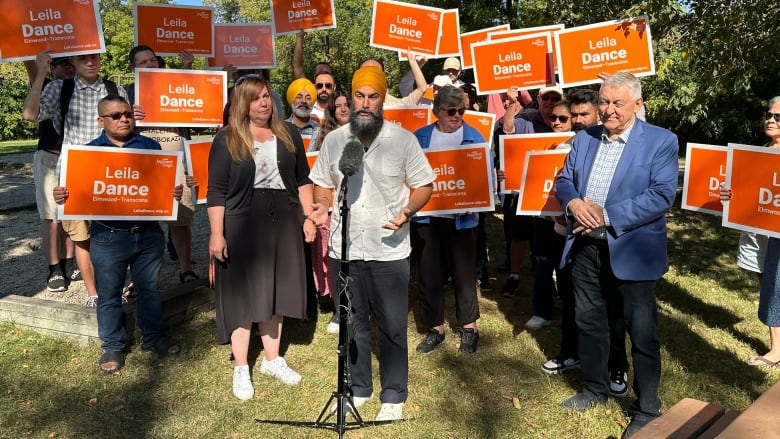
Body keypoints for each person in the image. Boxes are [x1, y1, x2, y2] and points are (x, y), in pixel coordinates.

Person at [555, 72, 678, 439]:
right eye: (604, 101)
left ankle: (646, 408)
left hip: (633, 250)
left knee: (642, 332)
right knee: (590, 322)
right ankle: (596, 388)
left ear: (637, 104)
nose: (607, 110)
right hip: (585, 246)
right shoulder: (584, 138)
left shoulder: (661, 141)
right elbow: (564, 180)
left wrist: (605, 215)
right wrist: (575, 202)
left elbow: (660, 195)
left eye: (617, 103)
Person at [309, 66, 436, 421]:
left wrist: (408, 210)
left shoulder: (403, 140)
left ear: (383, 100)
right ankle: (359, 387)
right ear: (351, 98)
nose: (365, 104)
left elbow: (424, 183)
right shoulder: (335, 141)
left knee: (393, 325)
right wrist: (320, 207)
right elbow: (322, 181)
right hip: (343, 249)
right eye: (360, 96)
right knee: (353, 323)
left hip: (388, 249)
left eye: (373, 96)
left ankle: (394, 394)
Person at [53, 95, 183, 372]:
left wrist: (172, 192)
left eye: (127, 114)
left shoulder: (150, 146)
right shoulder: (88, 153)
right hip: (107, 236)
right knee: (109, 294)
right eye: (116, 115)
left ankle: (153, 338)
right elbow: (75, 194)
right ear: (101, 121)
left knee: (149, 290)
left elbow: (163, 186)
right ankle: (113, 345)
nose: (124, 119)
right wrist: (62, 194)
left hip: (148, 233)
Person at [207, 75, 316, 400]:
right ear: (243, 103)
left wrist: (308, 216)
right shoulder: (226, 138)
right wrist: (216, 233)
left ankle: (272, 359)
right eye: (256, 98)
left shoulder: (288, 133)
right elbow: (216, 191)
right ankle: (241, 366)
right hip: (241, 222)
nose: (264, 103)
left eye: (267, 96)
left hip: (282, 218)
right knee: (243, 295)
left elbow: (302, 178)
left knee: (276, 290)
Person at [22, 51, 129, 307]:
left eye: (94, 57)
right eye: (83, 59)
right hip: (74, 173)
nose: (90, 63)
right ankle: (93, 294)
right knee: (82, 237)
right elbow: (29, 114)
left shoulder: (116, 89)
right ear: (74, 64)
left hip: (111, 173)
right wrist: (39, 75)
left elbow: (128, 128)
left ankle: (117, 287)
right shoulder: (60, 88)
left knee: (116, 235)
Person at [412, 85, 483, 355]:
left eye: (461, 111)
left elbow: (483, 180)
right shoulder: (420, 138)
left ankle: (469, 328)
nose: (457, 116)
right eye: (450, 111)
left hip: (462, 219)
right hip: (428, 218)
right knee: (429, 273)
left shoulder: (474, 138)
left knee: (464, 274)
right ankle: (435, 328)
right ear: (436, 111)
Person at [125, 45, 199, 283]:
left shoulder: (178, 85)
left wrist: (188, 68)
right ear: (133, 67)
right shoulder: (126, 92)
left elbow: (200, 118)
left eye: (153, 60)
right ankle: (141, 279)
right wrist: (131, 118)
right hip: (143, 164)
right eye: (143, 62)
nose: (150, 65)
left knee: (181, 218)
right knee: (141, 223)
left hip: (178, 162)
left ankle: (185, 268)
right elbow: (116, 128)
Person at [720, 96, 780, 367]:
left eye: (778, 117)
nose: (771, 120)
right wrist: (728, 194)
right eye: (769, 115)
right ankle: (777, 346)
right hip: (758, 232)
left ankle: (776, 352)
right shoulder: (757, 153)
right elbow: (740, 192)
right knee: (767, 281)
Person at [23, 52, 79, 294]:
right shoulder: (46, 86)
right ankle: (54, 268)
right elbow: (31, 68)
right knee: (51, 216)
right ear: (53, 68)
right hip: (51, 156)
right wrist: (34, 58)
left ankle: (69, 262)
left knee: (73, 213)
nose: (70, 68)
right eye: (64, 64)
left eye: (72, 64)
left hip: (76, 156)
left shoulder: (82, 87)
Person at [527, 100, 573, 330]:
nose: (556, 122)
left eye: (563, 118)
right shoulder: (539, 144)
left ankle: (569, 312)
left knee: (566, 269)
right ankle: (542, 311)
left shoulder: (580, 147)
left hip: (568, 221)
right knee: (543, 265)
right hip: (542, 217)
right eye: (553, 117)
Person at [311, 90, 351, 333]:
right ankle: (339, 310)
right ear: (332, 111)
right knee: (331, 260)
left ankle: (356, 306)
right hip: (330, 211)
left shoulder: (363, 135)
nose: (344, 109)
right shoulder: (324, 140)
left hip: (355, 209)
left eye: (347, 105)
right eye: (338, 106)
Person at [494, 87, 536, 298]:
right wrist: (512, 104)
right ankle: (514, 275)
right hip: (518, 188)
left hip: (549, 188)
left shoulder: (551, 118)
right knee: (518, 233)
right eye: (545, 97)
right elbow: (508, 129)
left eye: (553, 98)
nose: (549, 102)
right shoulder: (515, 122)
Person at [359, 53, 428, 106]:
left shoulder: (395, 104)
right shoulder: (350, 108)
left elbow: (422, 89)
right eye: (366, 71)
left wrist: (414, 63)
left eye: (375, 72)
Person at [285, 78, 320, 149]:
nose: (304, 101)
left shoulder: (320, 131)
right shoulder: (281, 129)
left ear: (313, 103)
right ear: (291, 100)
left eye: (308, 98)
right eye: (299, 97)